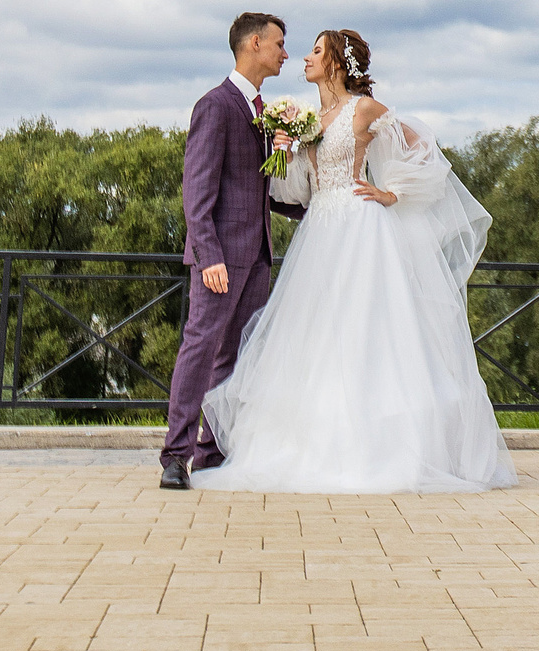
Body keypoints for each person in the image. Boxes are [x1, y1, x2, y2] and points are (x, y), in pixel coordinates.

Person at [192, 28, 517, 494]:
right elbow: (295, 192)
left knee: (364, 336)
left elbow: (424, 148)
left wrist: (392, 192)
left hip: (361, 230)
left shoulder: (363, 109)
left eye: (316, 51)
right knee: (315, 338)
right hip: (319, 231)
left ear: (337, 64)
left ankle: (374, 448)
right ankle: (310, 446)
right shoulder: (311, 120)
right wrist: (284, 153)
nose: (304, 57)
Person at [159, 12, 304, 490]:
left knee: (236, 357)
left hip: (258, 256)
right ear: (255, 43)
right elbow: (196, 192)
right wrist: (209, 256)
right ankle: (175, 457)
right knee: (200, 349)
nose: (286, 53)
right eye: (280, 44)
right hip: (220, 258)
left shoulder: (262, 112)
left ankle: (212, 453)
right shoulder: (216, 106)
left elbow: (259, 189)